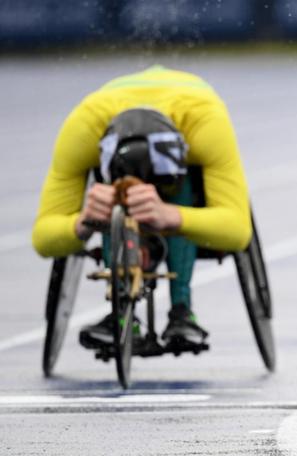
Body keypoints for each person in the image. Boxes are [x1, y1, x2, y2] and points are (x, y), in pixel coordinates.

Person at [32, 65, 252, 353]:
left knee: (184, 190)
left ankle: (182, 307)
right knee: (110, 198)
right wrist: (86, 220)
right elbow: (43, 238)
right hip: (106, 112)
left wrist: (171, 215)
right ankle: (121, 309)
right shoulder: (84, 130)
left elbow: (238, 231)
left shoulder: (206, 126)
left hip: (191, 107)